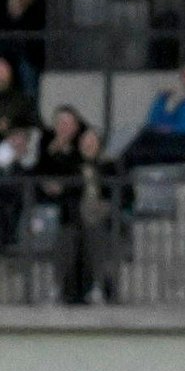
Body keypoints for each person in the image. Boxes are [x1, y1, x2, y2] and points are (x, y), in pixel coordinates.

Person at [49, 125, 128, 305]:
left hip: (104, 219)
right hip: (76, 218)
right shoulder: (71, 166)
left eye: (92, 140)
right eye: (85, 141)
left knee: (95, 234)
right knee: (66, 236)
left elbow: (125, 194)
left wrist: (107, 205)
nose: (88, 144)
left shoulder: (111, 166)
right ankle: (58, 286)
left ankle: (98, 286)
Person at [120, 65, 185, 169]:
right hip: (183, 143)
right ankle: (119, 174)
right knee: (142, 139)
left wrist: (174, 129)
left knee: (144, 151)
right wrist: (161, 99)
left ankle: (123, 176)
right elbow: (155, 123)